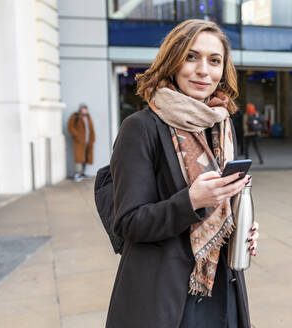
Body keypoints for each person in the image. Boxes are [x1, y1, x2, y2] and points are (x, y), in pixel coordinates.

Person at [106, 20, 260, 328]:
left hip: (222, 285)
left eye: (214, 60)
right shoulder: (141, 127)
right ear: (172, 60)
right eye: (191, 57)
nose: (204, 70)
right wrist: (190, 201)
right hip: (165, 294)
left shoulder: (222, 126)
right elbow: (128, 223)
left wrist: (244, 224)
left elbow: (224, 204)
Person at [67, 103, 95, 182]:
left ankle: (82, 173)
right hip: (79, 142)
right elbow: (70, 127)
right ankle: (77, 174)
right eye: (83, 108)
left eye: (86, 108)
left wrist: (92, 139)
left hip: (88, 142)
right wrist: (77, 135)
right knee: (79, 159)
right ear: (80, 109)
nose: (85, 110)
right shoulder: (75, 116)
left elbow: (91, 129)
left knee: (86, 158)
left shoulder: (88, 117)